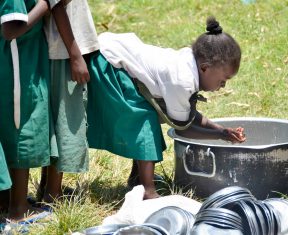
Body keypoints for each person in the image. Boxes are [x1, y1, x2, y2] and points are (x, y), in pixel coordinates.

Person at [86, 17, 244, 199]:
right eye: (223, 80)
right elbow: (183, 128)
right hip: (107, 64)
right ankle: (147, 191)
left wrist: (223, 130)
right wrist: (220, 135)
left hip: (114, 54)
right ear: (205, 68)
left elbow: (190, 117)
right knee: (144, 120)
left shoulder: (190, 62)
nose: (222, 86)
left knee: (147, 114)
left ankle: (138, 178)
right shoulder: (182, 81)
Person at [35, 0, 99, 204]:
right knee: (65, 120)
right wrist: (75, 56)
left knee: (60, 117)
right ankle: (53, 194)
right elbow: (57, 6)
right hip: (63, 51)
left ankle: (48, 187)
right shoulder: (68, 54)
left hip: (63, 49)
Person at [0, 0, 51, 220]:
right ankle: (19, 210)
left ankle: (8, 201)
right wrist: (46, 4)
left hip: (21, 61)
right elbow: (10, 30)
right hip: (18, 66)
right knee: (22, 129)